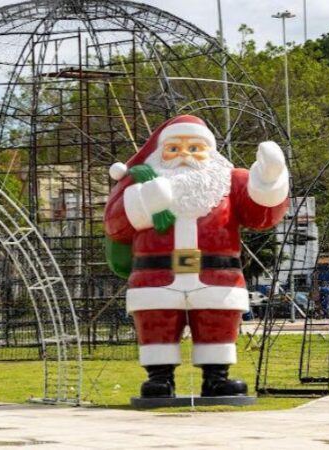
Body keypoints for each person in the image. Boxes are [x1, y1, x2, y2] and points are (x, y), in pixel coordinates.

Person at [104, 115, 289, 398]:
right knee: (157, 324)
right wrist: (143, 202)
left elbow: (260, 216)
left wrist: (269, 179)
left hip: (217, 274)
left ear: (210, 152)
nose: (184, 156)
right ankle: (159, 378)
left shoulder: (231, 181)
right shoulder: (138, 182)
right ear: (159, 153)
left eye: (194, 148)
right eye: (174, 148)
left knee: (217, 323)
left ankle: (217, 379)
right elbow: (114, 226)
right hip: (155, 275)